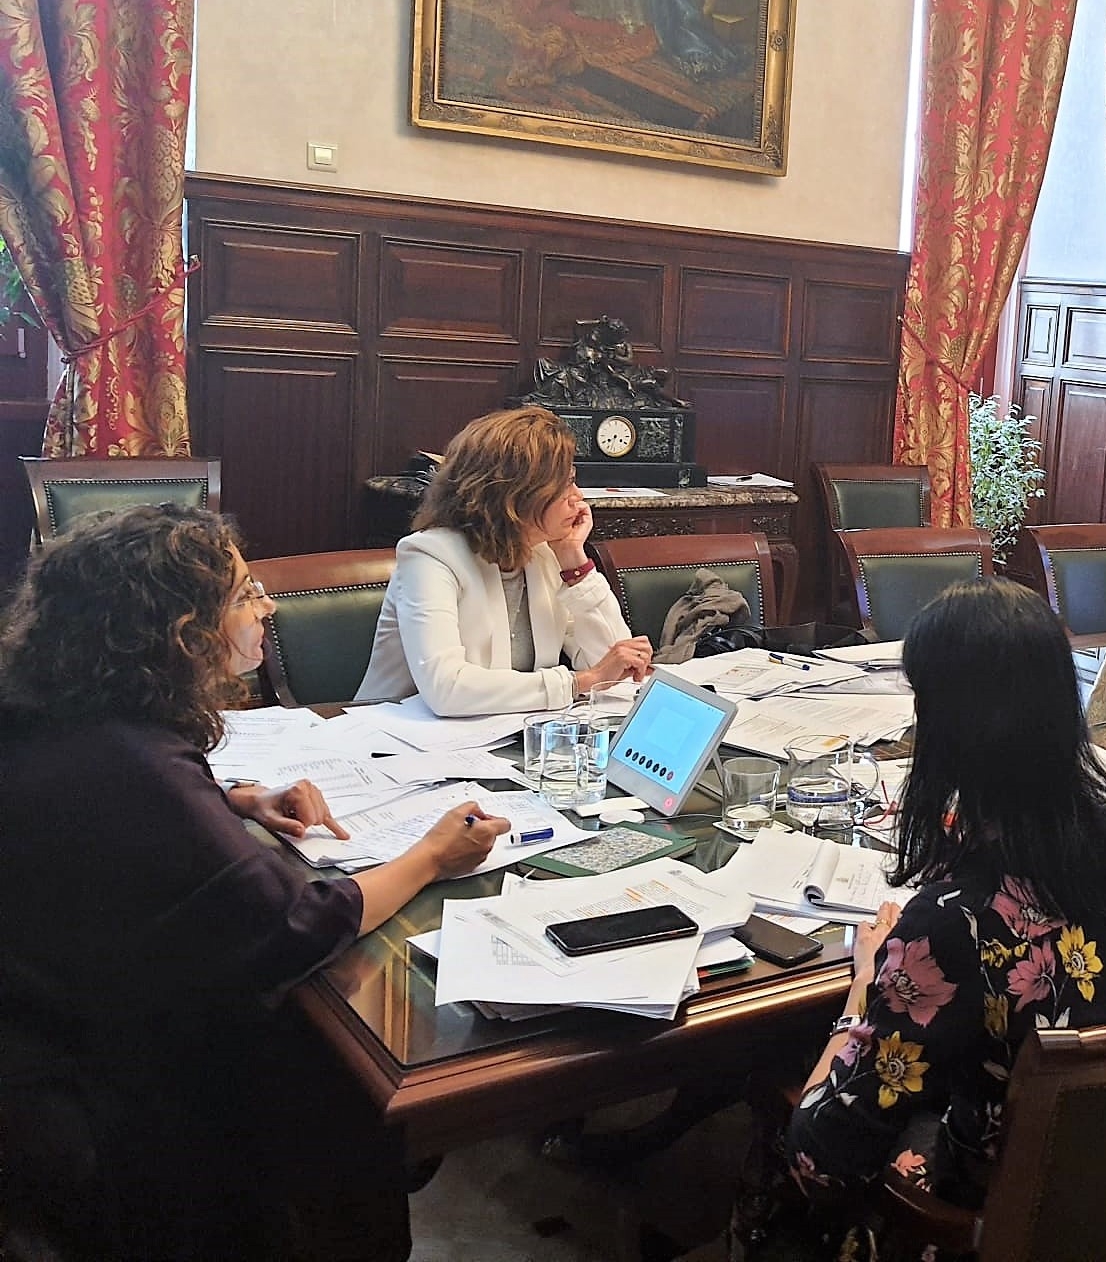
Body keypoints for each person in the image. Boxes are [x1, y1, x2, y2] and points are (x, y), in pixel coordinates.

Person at [0, 505, 511, 1260]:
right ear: (182, 629)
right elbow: (295, 923)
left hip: (39, 1018)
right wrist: (432, 856)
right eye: (244, 594)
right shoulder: (140, 769)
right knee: (343, 1058)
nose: (267, 607)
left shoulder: (63, 711)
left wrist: (236, 801)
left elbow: (108, 809)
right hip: (100, 1095)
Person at [768, 579, 1106, 1246]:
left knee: (773, 1085)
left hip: (993, 1222)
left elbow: (821, 1164)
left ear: (945, 734)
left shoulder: (948, 926)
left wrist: (864, 989)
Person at [357, 406, 652, 715]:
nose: (578, 497)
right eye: (564, 484)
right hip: (397, 744)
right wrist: (578, 683)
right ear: (516, 495)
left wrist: (573, 559)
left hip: (500, 739)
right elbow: (446, 689)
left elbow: (617, 673)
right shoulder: (429, 556)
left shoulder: (545, 552)